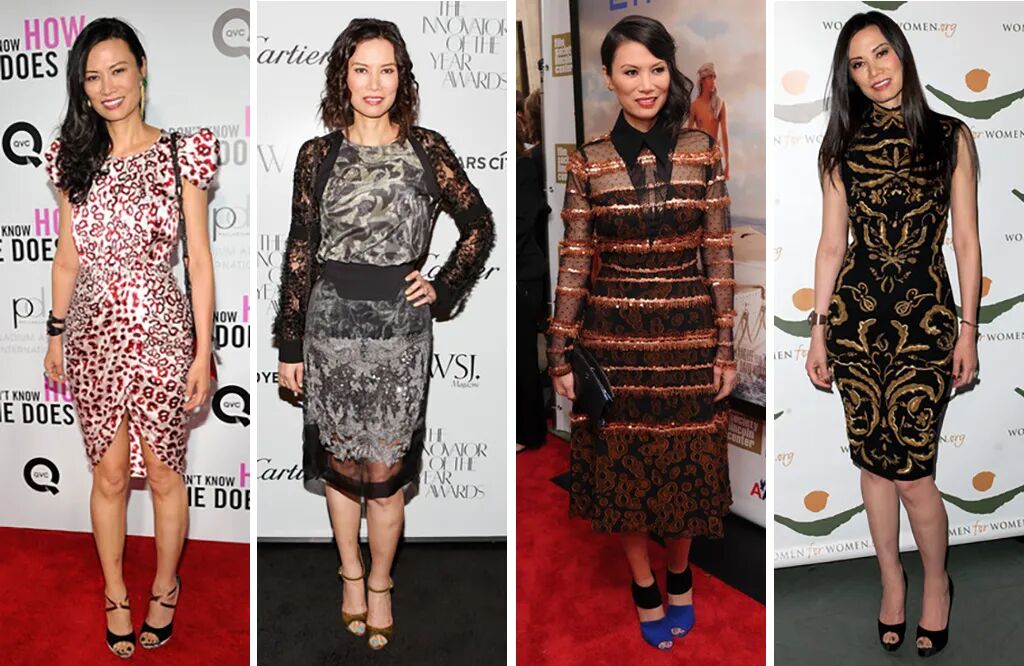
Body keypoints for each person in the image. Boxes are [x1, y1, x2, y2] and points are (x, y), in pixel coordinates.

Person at [272, 18, 494, 651]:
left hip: (401, 334)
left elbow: (478, 224)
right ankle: (349, 574)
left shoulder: (427, 148)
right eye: (362, 69)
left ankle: (381, 582)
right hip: (329, 329)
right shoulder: (317, 155)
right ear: (343, 77)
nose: (374, 83)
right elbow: (300, 250)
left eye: (387, 69)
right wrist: (290, 345)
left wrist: (444, 286)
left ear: (403, 77)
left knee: (388, 470)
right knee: (342, 466)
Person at [547, 15, 736, 652]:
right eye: (631, 71)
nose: (646, 84)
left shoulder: (700, 149)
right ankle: (643, 583)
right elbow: (575, 259)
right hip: (614, 339)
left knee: (686, 466)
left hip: (689, 333)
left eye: (657, 69)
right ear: (609, 78)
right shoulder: (588, 160)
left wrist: (726, 347)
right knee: (624, 469)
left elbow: (718, 253)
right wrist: (560, 353)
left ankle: (679, 573)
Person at [804, 11, 980, 659]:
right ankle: (891, 581)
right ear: (848, 76)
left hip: (925, 326)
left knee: (913, 475)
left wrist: (969, 331)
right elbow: (831, 246)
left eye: (882, 54)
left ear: (902, 54)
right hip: (855, 325)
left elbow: (966, 242)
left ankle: (937, 583)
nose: (874, 71)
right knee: (873, 469)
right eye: (858, 63)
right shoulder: (840, 148)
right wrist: (818, 331)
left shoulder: (950, 137)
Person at [42, 17, 218, 659]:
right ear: (81, 87)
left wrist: (203, 349)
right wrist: (56, 334)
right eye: (93, 77)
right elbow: (67, 257)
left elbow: (199, 260)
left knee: (166, 475)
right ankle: (115, 591)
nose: (107, 86)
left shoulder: (183, 151)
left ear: (142, 70)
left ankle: (166, 586)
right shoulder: (72, 158)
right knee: (110, 475)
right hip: (91, 336)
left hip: (163, 332)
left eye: (118, 70)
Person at [516, 89, 550, 453]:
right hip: (515, 273)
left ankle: (530, 432)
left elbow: (522, 223)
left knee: (524, 355)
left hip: (524, 275)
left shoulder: (523, 167)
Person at [688, 62, 730, 179]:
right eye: (709, 78)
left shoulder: (719, 103)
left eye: (714, 78)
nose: (713, 81)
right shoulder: (695, 106)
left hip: (715, 154)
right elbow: (689, 135)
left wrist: (727, 163)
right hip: (700, 154)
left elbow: (724, 134)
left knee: (716, 189)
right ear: (702, 80)